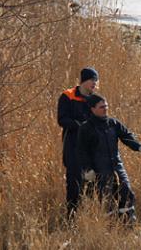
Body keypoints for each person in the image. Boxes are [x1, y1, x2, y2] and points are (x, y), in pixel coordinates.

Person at [76, 93, 141, 224]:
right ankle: (111, 226)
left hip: (117, 166)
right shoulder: (85, 128)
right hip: (100, 169)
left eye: (106, 106)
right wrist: (88, 169)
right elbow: (82, 152)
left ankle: (128, 224)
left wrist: (139, 147)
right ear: (92, 109)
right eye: (101, 107)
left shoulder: (113, 123)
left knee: (126, 191)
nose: (105, 109)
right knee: (106, 198)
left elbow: (127, 137)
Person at [57, 67, 100, 218]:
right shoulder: (67, 96)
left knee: (91, 183)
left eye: (96, 81)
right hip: (72, 146)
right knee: (74, 183)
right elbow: (62, 120)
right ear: (84, 81)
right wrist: (81, 126)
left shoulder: (95, 100)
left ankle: (86, 217)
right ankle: (71, 217)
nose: (95, 83)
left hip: (90, 148)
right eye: (92, 80)